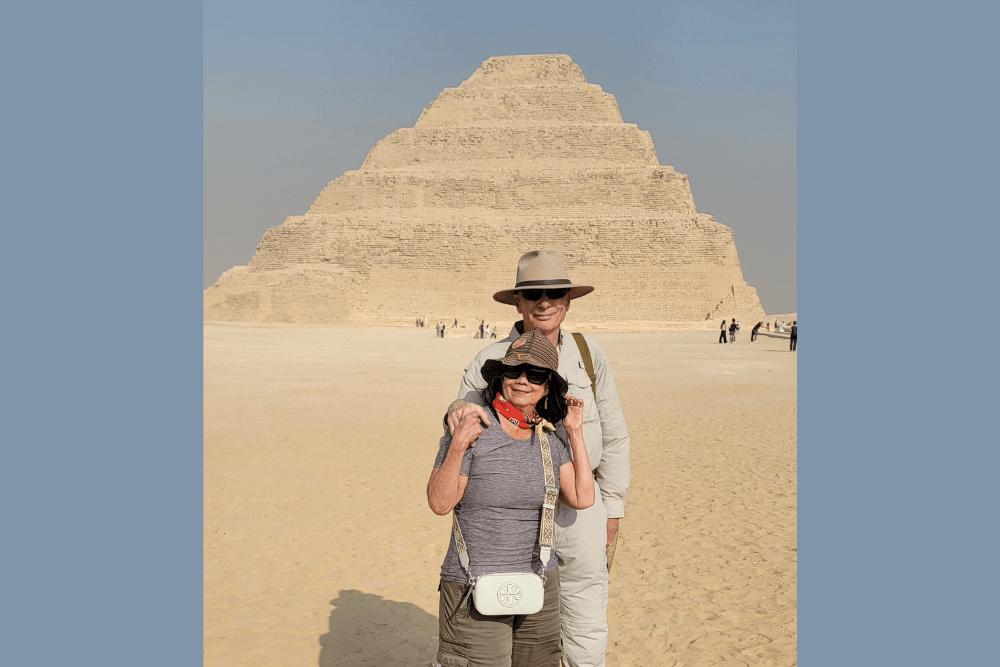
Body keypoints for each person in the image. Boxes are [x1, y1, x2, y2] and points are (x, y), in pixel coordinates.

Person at [446, 250, 630, 667]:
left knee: (586, 603)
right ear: (518, 302)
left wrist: (613, 506)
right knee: (517, 609)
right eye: (533, 294)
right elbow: (464, 415)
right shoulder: (491, 359)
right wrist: (453, 411)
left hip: (582, 503)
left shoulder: (588, 353)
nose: (544, 302)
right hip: (519, 508)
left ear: (567, 301)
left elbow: (615, 433)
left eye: (555, 293)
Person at [429, 330, 594, 666]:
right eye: (514, 371)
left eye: (535, 375)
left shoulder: (549, 440)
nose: (523, 381)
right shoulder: (472, 430)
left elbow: (582, 496)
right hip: (472, 585)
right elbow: (440, 503)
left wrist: (575, 431)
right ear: (500, 377)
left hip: (539, 584)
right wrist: (458, 444)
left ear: (547, 387)